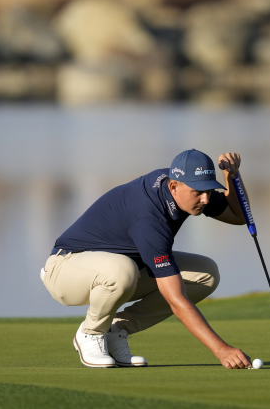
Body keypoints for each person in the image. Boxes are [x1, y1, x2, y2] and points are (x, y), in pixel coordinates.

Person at [40, 149, 252, 369]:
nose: (206, 199)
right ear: (173, 187)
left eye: (209, 190)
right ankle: (91, 333)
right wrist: (221, 349)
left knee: (205, 274)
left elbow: (238, 216)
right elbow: (175, 300)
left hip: (122, 267)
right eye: (198, 192)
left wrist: (232, 176)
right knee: (123, 272)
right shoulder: (149, 217)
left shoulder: (181, 184)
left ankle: (115, 330)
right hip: (65, 269)